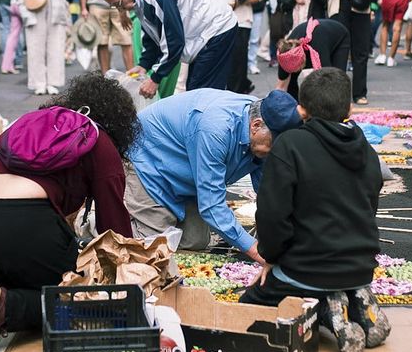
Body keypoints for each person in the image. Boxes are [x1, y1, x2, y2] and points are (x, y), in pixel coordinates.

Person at [0, 73, 140, 352]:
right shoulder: (101, 142)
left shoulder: (34, 121)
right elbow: (114, 230)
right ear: (120, 124)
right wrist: (133, 279)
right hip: (22, 226)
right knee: (81, 296)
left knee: (23, 275)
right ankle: (5, 308)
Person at [239, 68, 386, 352]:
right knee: (326, 278)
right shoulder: (367, 150)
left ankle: (325, 311)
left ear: (301, 109)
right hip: (360, 266)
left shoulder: (290, 145)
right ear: (349, 108)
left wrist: (271, 257)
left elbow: (272, 216)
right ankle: (348, 299)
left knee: (246, 309)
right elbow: (370, 208)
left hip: (305, 269)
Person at [124, 88, 302, 260]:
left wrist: (291, 233)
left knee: (195, 241)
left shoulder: (260, 128)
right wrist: (256, 251)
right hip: (149, 164)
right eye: (273, 143)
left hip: (189, 174)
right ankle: (103, 222)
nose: (274, 151)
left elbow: (268, 191)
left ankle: (156, 217)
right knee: (152, 249)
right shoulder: (216, 129)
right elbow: (211, 206)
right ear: (255, 125)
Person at [98, 0, 238, 97]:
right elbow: (153, 34)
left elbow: (174, 41)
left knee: (201, 94)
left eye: (118, 3)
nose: (118, 8)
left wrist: (155, 79)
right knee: (197, 92)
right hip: (204, 32)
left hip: (217, 29)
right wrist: (144, 65)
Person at [131, 0, 193, 98]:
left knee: (143, 67)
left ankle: (141, 107)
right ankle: (162, 105)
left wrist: (130, 18)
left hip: (143, 25)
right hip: (173, 26)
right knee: (168, 68)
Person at [211, 0, 264, 94]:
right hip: (221, 21)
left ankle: (237, 92)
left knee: (238, 58)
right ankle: (234, 87)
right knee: (225, 58)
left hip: (241, 20)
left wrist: (239, 2)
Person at [276, 18, 351, 98]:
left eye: (297, 68)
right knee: (292, 79)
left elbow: (327, 76)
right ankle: (295, 105)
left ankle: (338, 105)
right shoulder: (284, 53)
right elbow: (280, 85)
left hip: (339, 35)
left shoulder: (318, 48)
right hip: (317, 41)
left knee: (336, 78)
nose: (296, 71)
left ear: (303, 58)